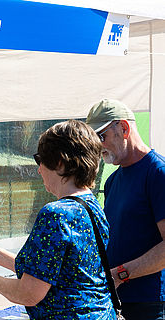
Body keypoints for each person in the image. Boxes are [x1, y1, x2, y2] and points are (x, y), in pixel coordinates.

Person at [0, 120, 115, 319]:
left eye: (40, 160)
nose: (38, 169)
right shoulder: (93, 207)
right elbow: (47, 270)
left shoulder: (55, 214)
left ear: (60, 162)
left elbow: (28, 293)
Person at [86, 99, 165, 320]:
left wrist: (121, 274)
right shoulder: (112, 181)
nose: (98, 146)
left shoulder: (158, 173)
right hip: (117, 301)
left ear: (124, 128)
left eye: (101, 136)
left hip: (151, 304)